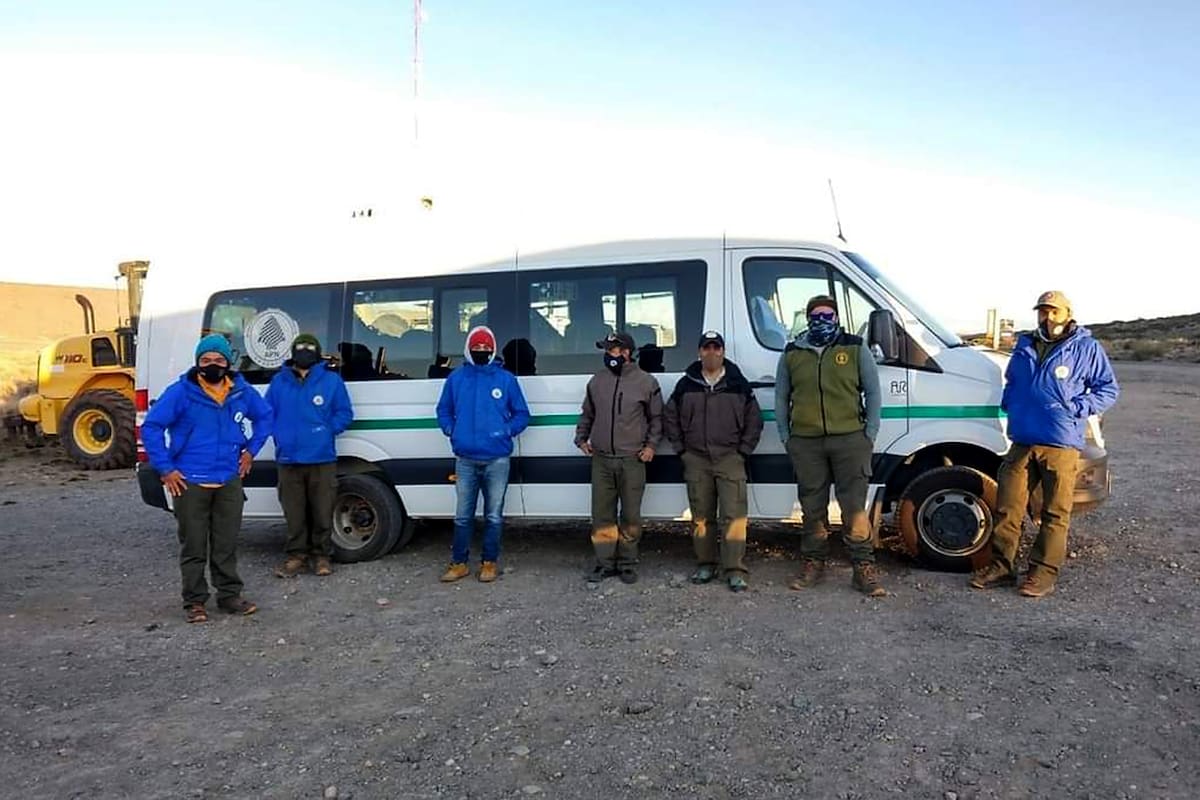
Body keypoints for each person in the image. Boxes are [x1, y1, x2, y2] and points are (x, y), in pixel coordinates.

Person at [970, 290, 1119, 597]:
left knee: (1054, 512)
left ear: (1067, 313)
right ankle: (1002, 566)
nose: (1048, 317)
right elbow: (1012, 381)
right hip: (1023, 440)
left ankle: (1043, 573)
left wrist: (1076, 407)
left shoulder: (1085, 348)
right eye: (1043, 311)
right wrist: (1010, 402)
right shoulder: (1025, 344)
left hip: (1060, 443)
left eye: (1054, 311)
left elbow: (1108, 389)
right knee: (1008, 507)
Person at [141, 333, 274, 623]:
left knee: (226, 543)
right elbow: (151, 427)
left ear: (228, 362)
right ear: (197, 362)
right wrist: (165, 469)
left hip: (228, 479)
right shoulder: (181, 393)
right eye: (205, 360)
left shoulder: (241, 391)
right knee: (194, 546)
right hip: (190, 482)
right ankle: (195, 602)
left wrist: (251, 450)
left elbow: (265, 416)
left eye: (218, 359)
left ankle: (229, 596)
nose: (212, 364)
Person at [775, 295, 886, 597]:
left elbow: (873, 393)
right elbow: (781, 397)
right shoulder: (792, 352)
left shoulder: (853, 347)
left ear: (836, 317)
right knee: (812, 507)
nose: (822, 319)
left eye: (828, 314)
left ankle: (863, 569)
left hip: (850, 440)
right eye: (816, 314)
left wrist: (869, 433)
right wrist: (787, 436)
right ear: (808, 317)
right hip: (806, 443)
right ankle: (813, 563)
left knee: (854, 509)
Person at [664, 330, 763, 592]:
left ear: (723, 352)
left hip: (730, 458)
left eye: (716, 348)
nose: (711, 353)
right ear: (699, 352)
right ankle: (705, 564)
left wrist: (743, 451)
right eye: (706, 348)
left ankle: (734, 569)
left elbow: (754, 420)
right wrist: (681, 450)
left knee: (734, 516)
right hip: (696, 459)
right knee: (701, 517)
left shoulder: (738, 384)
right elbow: (670, 417)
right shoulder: (686, 384)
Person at [435, 325, 531, 583]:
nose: (481, 351)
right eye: (476, 348)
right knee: (463, 516)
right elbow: (443, 410)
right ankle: (459, 563)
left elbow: (522, 414)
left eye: (485, 348)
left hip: (497, 459)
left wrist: (506, 431)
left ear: (493, 350)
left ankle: (489, 563)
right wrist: (450, 429)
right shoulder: (456, 379)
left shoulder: (506, 379)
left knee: (493, 516)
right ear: (468, 349)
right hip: (465, 459)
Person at [575, 331, 664, 584]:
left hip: (631, 459)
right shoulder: (597, 381)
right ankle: (604, 563)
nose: (608, 355)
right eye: (606, 350)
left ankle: (626, 563)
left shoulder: (646, 382)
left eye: (612, 350)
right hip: (602, 459)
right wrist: (581, 438)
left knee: (631, 516)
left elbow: (657, 419)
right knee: (602, 514)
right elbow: (587, 414)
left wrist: (651, 447)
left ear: (626, 352)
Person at [266, 333, 354, 579]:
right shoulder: (278, 383)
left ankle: (322, 556)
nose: (305, 351)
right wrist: (279, 434)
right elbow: (266, 414)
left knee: (322, 510)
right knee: (293, 512)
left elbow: (344, 413)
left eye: (310, 348)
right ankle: (296, 556)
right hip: (288, 459)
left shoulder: (331, 381)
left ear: (317, 353)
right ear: (293, 352)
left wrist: (327, 431)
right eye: (300, 347)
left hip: (321, 457)